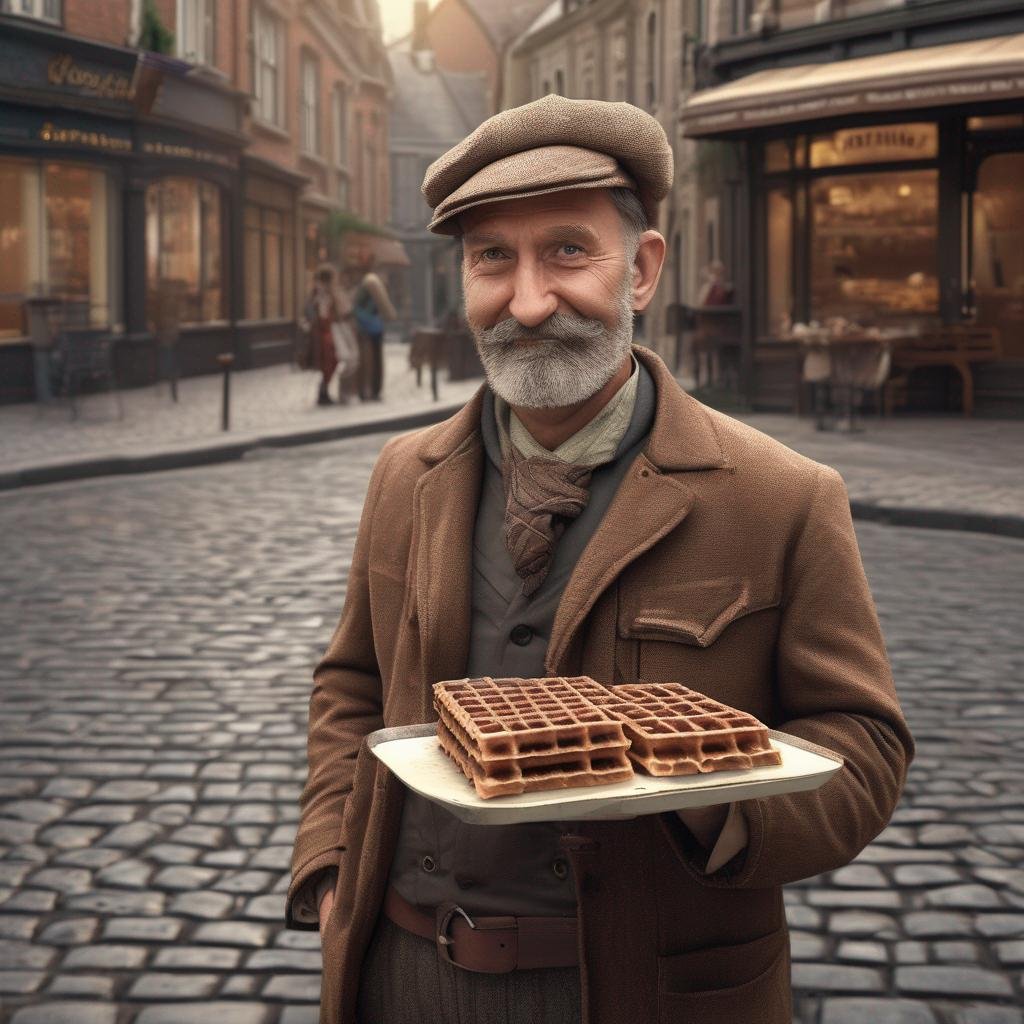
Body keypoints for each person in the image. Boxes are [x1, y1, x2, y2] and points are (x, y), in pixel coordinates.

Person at [286, 94, 914, 1024]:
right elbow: (351, 684)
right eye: (492, 258)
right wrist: (333, 869)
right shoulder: (402, 475)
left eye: (568, 251)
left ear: (644, 269)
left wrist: (719, 803)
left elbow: (865, 748)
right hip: (403, 976)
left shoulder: (780, 496)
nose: (528, 301)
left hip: (646, 990)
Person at [302, 263, 354, 406]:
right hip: (323, 332)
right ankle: (322, 392)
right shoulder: (320, 293)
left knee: (331, 362)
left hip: (326, 330)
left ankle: (324, 391)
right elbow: (321, 313)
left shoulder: (326, 292)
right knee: (328, 362)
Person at [352, 252, 396, 402]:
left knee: (368, 359)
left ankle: (368, 390)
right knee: (370, 359)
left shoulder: (367, 281)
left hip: (368, 325)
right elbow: (386, 307)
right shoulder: (372, 280)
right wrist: (390, 315)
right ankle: (369, 390)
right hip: (370, 325)